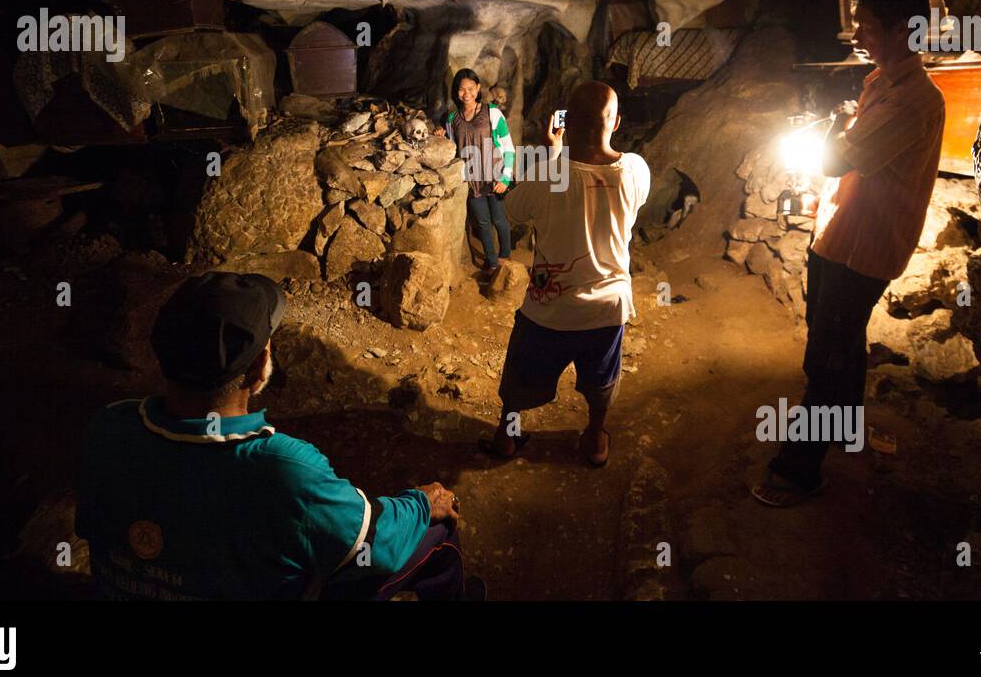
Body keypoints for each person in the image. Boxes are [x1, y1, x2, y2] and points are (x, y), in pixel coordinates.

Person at [75, 271, 480, 600]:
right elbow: (378, 543)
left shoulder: (110, 426)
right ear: (258, 369)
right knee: (434, 531)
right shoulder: (283, 468)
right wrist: (422, 503)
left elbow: (90, 527)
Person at [752, 0, 945, 507]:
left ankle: (800, 469)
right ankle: (843, 429)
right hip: (839, 237)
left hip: (863, 249)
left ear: (903, 30)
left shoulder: (913, 100)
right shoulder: (882, 83)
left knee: (827, 358)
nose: (855, 37)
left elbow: (839, 158)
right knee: (840, 344)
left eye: (865, 27)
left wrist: (837, 135)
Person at [481, 81, 650, 468]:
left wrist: (554, 152)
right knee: (602, 380)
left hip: (550, 309)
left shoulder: (546, 173)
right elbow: (592, 185)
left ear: (566, 122)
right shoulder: (636, 170)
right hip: (607, 308)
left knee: (520, 379)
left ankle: (506, 438)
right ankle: (594, 440)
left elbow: (514, 212)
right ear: (617, 122)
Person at [437, 69, 516, 282]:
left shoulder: (492, 113)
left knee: (499, 220)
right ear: (456, 92)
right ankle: (491, 263)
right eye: (461, 89)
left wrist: (505, 177)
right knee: (481, 223)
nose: (466, 93)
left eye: (470, 88)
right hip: (471, 179)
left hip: (494, 176)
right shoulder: (452, 119)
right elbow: (452, 149)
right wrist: (441, 137)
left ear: (478, 89)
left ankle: (505, 258)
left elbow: (508, 147)